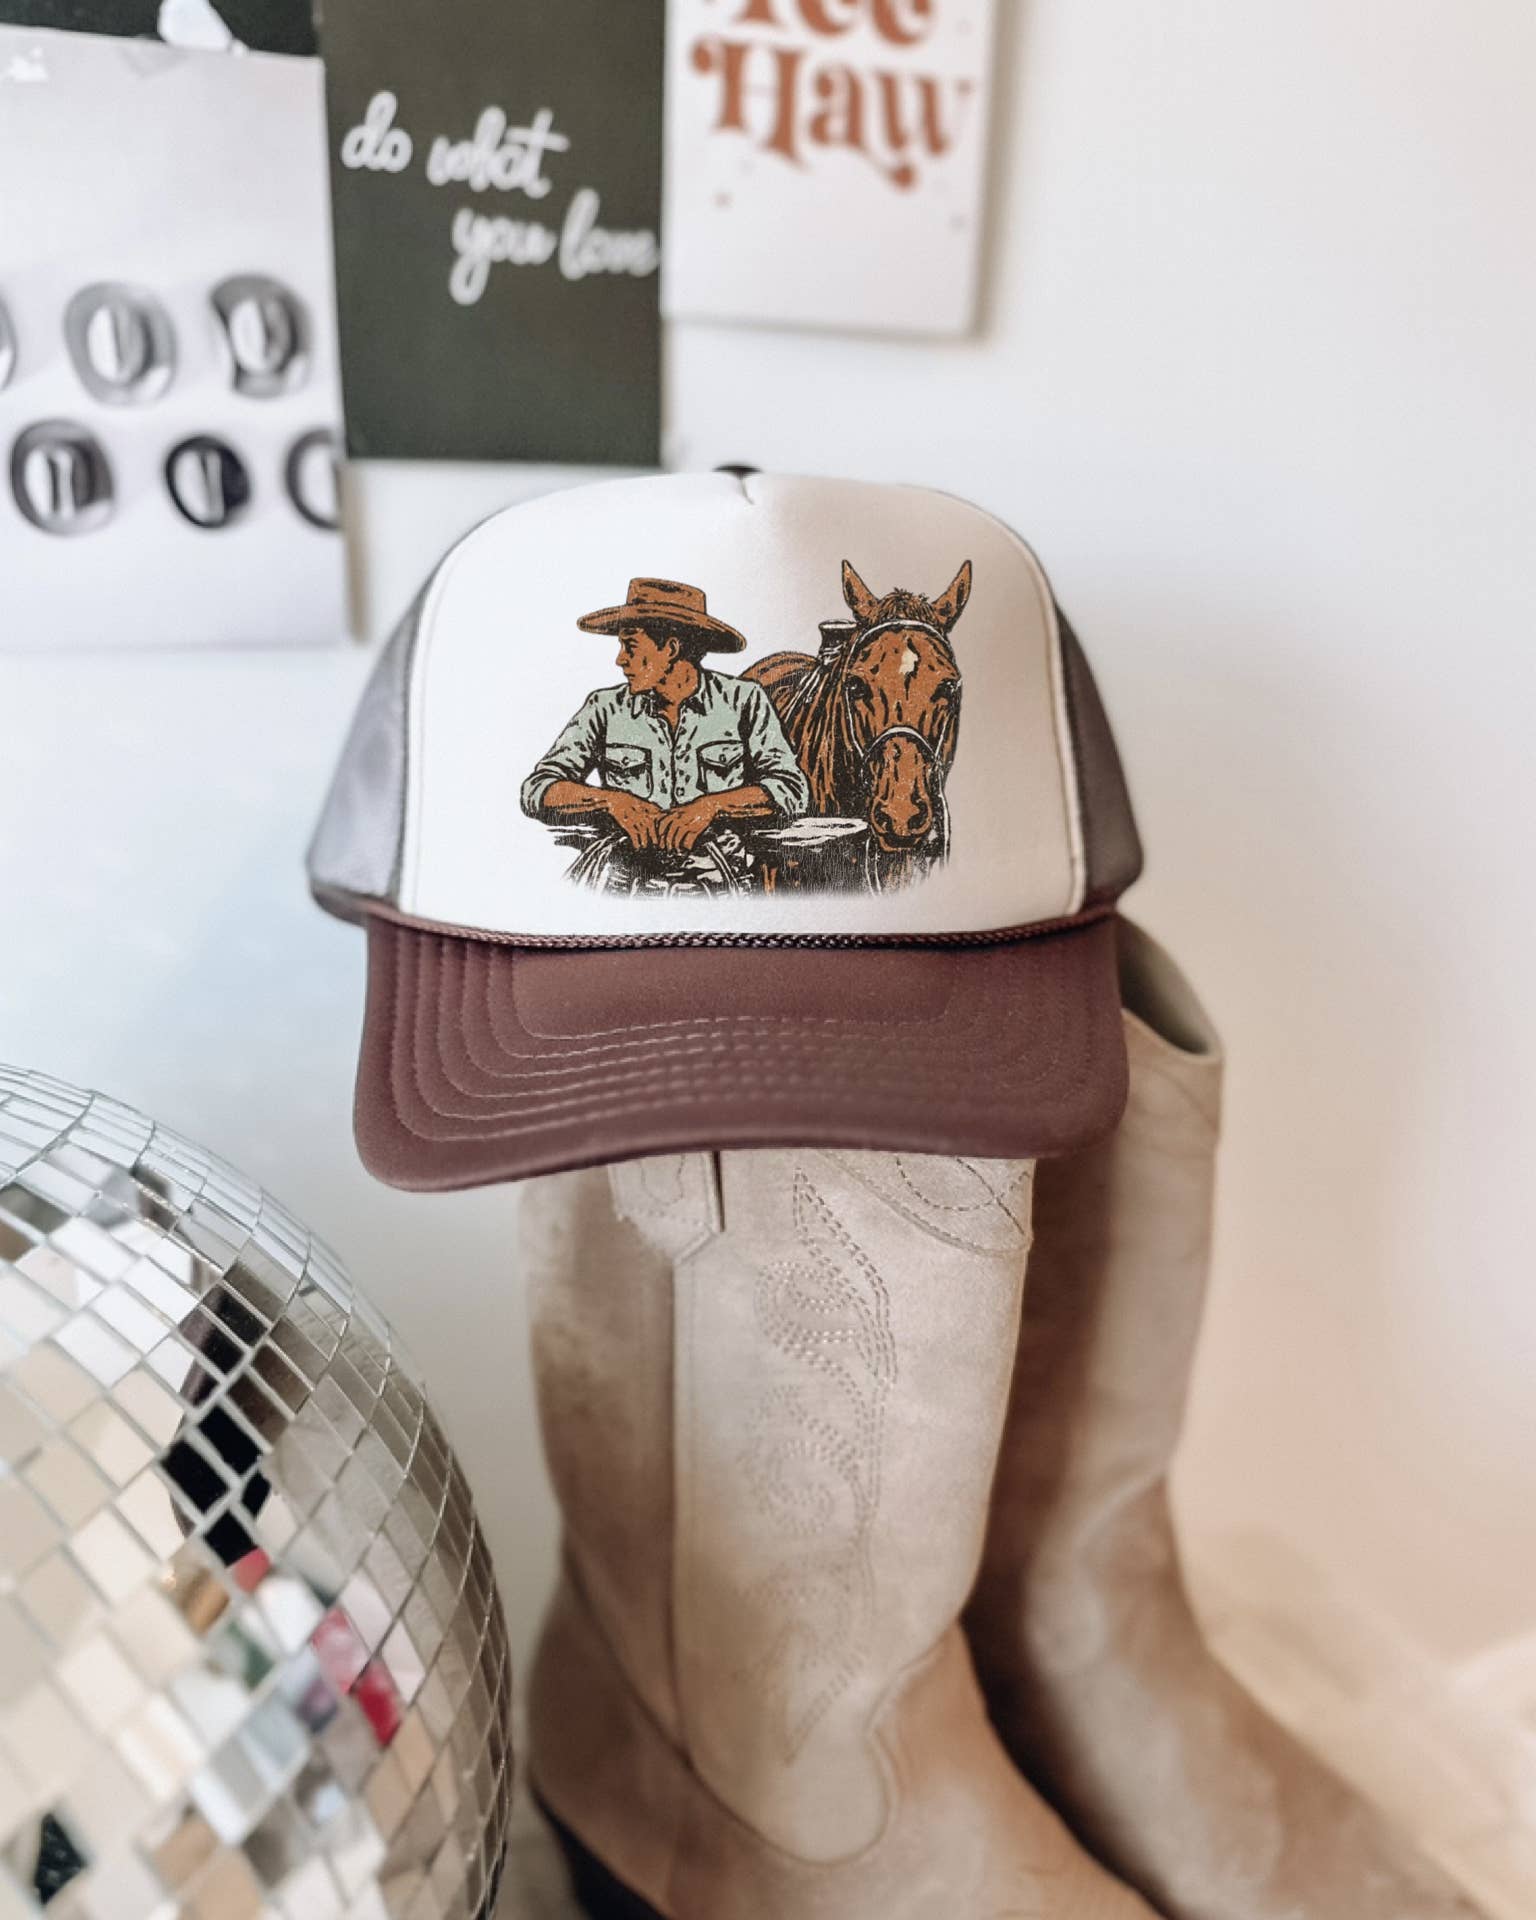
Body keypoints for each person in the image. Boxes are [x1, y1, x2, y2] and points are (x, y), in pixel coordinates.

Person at [521, 576, 810, 893]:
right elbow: (538, 788)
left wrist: (712, 807)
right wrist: (611, 802)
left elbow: (791, 788)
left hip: (724, 890)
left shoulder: (743, 700)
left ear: (671, 648)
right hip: (623, 890)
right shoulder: (604, 707)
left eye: (630, 646)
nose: (620, 660)